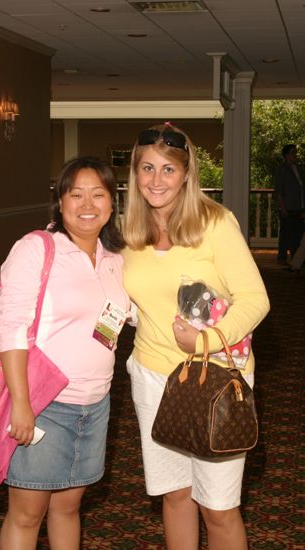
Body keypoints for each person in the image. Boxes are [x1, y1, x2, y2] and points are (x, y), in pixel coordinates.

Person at [122, 123, 270, 550]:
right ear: (134, 174)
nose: (156, 180)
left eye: (168, 169)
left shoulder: (215, 222)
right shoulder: (130, 235)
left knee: (219, 508)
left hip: (216, 380)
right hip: (152, 377)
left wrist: (205, 342)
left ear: (186, 174)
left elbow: (255, 300)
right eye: (146, 168)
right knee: (176, 494)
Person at [0, 156, 130, 549]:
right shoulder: (37, 249)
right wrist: (21, 404)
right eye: (76, 194)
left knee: (68, 508)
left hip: (95, 405)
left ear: (111, 204)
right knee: (26, 515)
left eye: (98, 194)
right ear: (60, 201)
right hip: (44, 406)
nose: (87, 205)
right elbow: (12, 328)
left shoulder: (115, 260)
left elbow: (131, 315)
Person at [274, 144, 305, 265]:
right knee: (285, 234)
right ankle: (282, 258)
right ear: (286, 155)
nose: (295, 155)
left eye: (295, 152)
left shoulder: (299, 169)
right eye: (292, 152)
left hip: (299, 206)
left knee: (297, 234)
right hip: (288, 206)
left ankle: (295, 258)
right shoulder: (281, 170)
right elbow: (279, 190)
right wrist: (283, 207)